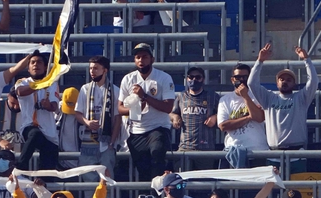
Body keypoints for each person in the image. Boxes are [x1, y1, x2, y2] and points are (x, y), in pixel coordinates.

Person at [247, 43, 319, 153]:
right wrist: (259, 61)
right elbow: (251, 83)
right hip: (274, 152)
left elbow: (313, 81)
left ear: (294, 84)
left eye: (289, 80)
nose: (285, 81)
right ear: (277, 83)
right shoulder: (268, 98)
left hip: (298, 151)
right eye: (282, 79)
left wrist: (306, 59)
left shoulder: (301, 98)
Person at [118, 43, 175, 180]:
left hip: (158, 127)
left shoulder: (164, 78)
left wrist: (145, 96)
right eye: (137, 57)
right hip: (136, 130)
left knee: (157, 154)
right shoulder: (128, 79)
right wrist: (133, 109)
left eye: (144, 57)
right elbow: (119, 108)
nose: (141, 60)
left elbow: (168, 107)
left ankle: (158, 194)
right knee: (143, 171)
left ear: (152, 59)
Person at [14, 50, 61, 171]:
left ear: (45, 67)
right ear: (28, 68)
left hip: (49, 132)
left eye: (39, 62)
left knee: (47, 175)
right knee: (35, 134)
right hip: (29, 126)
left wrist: (48, 105)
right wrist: (39, 85)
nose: (36, 65)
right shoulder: (22, 82)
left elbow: (54, 106)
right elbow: (20, 92)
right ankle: (20, 167)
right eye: (33, 62)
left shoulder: (52, 83)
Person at [75, 56, 120, 176]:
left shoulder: (115, 90)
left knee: (107, 183)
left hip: (107, 144)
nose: (92, 71)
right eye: (90, 68)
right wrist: (87, 122)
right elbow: (78, 113)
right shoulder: (85, 89)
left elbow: (117, 119)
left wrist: (111, 143)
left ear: (105, 70)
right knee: (88, 183)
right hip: (88, 142)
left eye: (96, 68)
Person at [217, 63, 267, 169]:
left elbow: (259, 118)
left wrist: (245, 96)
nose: (241, 79)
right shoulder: (225, 100)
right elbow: (223, 126)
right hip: (233, 150)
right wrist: (248, 117)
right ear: (232, 79)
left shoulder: (258, 95)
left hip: (257, 150)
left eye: (245, 77)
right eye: (238, 77)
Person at [170, 67, 219, 158]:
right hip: (185, 147)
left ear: (203, 79)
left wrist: (216, 116)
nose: (194, 80)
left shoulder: (212, 96)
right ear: (186, 79)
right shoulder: (181, 96)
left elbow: (226, 113)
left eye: (198, 77)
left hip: (206, 149)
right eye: (191, 77)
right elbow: (171, 112)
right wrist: (175, 117)